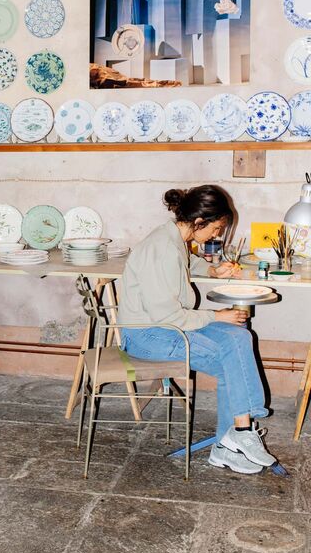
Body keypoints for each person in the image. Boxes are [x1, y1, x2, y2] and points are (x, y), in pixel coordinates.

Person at [118, 184, 277, 475]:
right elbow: (169, 317)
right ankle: (232, 440)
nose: (216, 235)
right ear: (199, 222)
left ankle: (236, 436)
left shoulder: (173, 237)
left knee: (239, 337)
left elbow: (185, 263)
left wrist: (212, 270)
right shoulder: (163, 248)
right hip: (148, 336)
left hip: (164, 328)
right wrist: (216, 315)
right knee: (233, 359)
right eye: (216, 229)